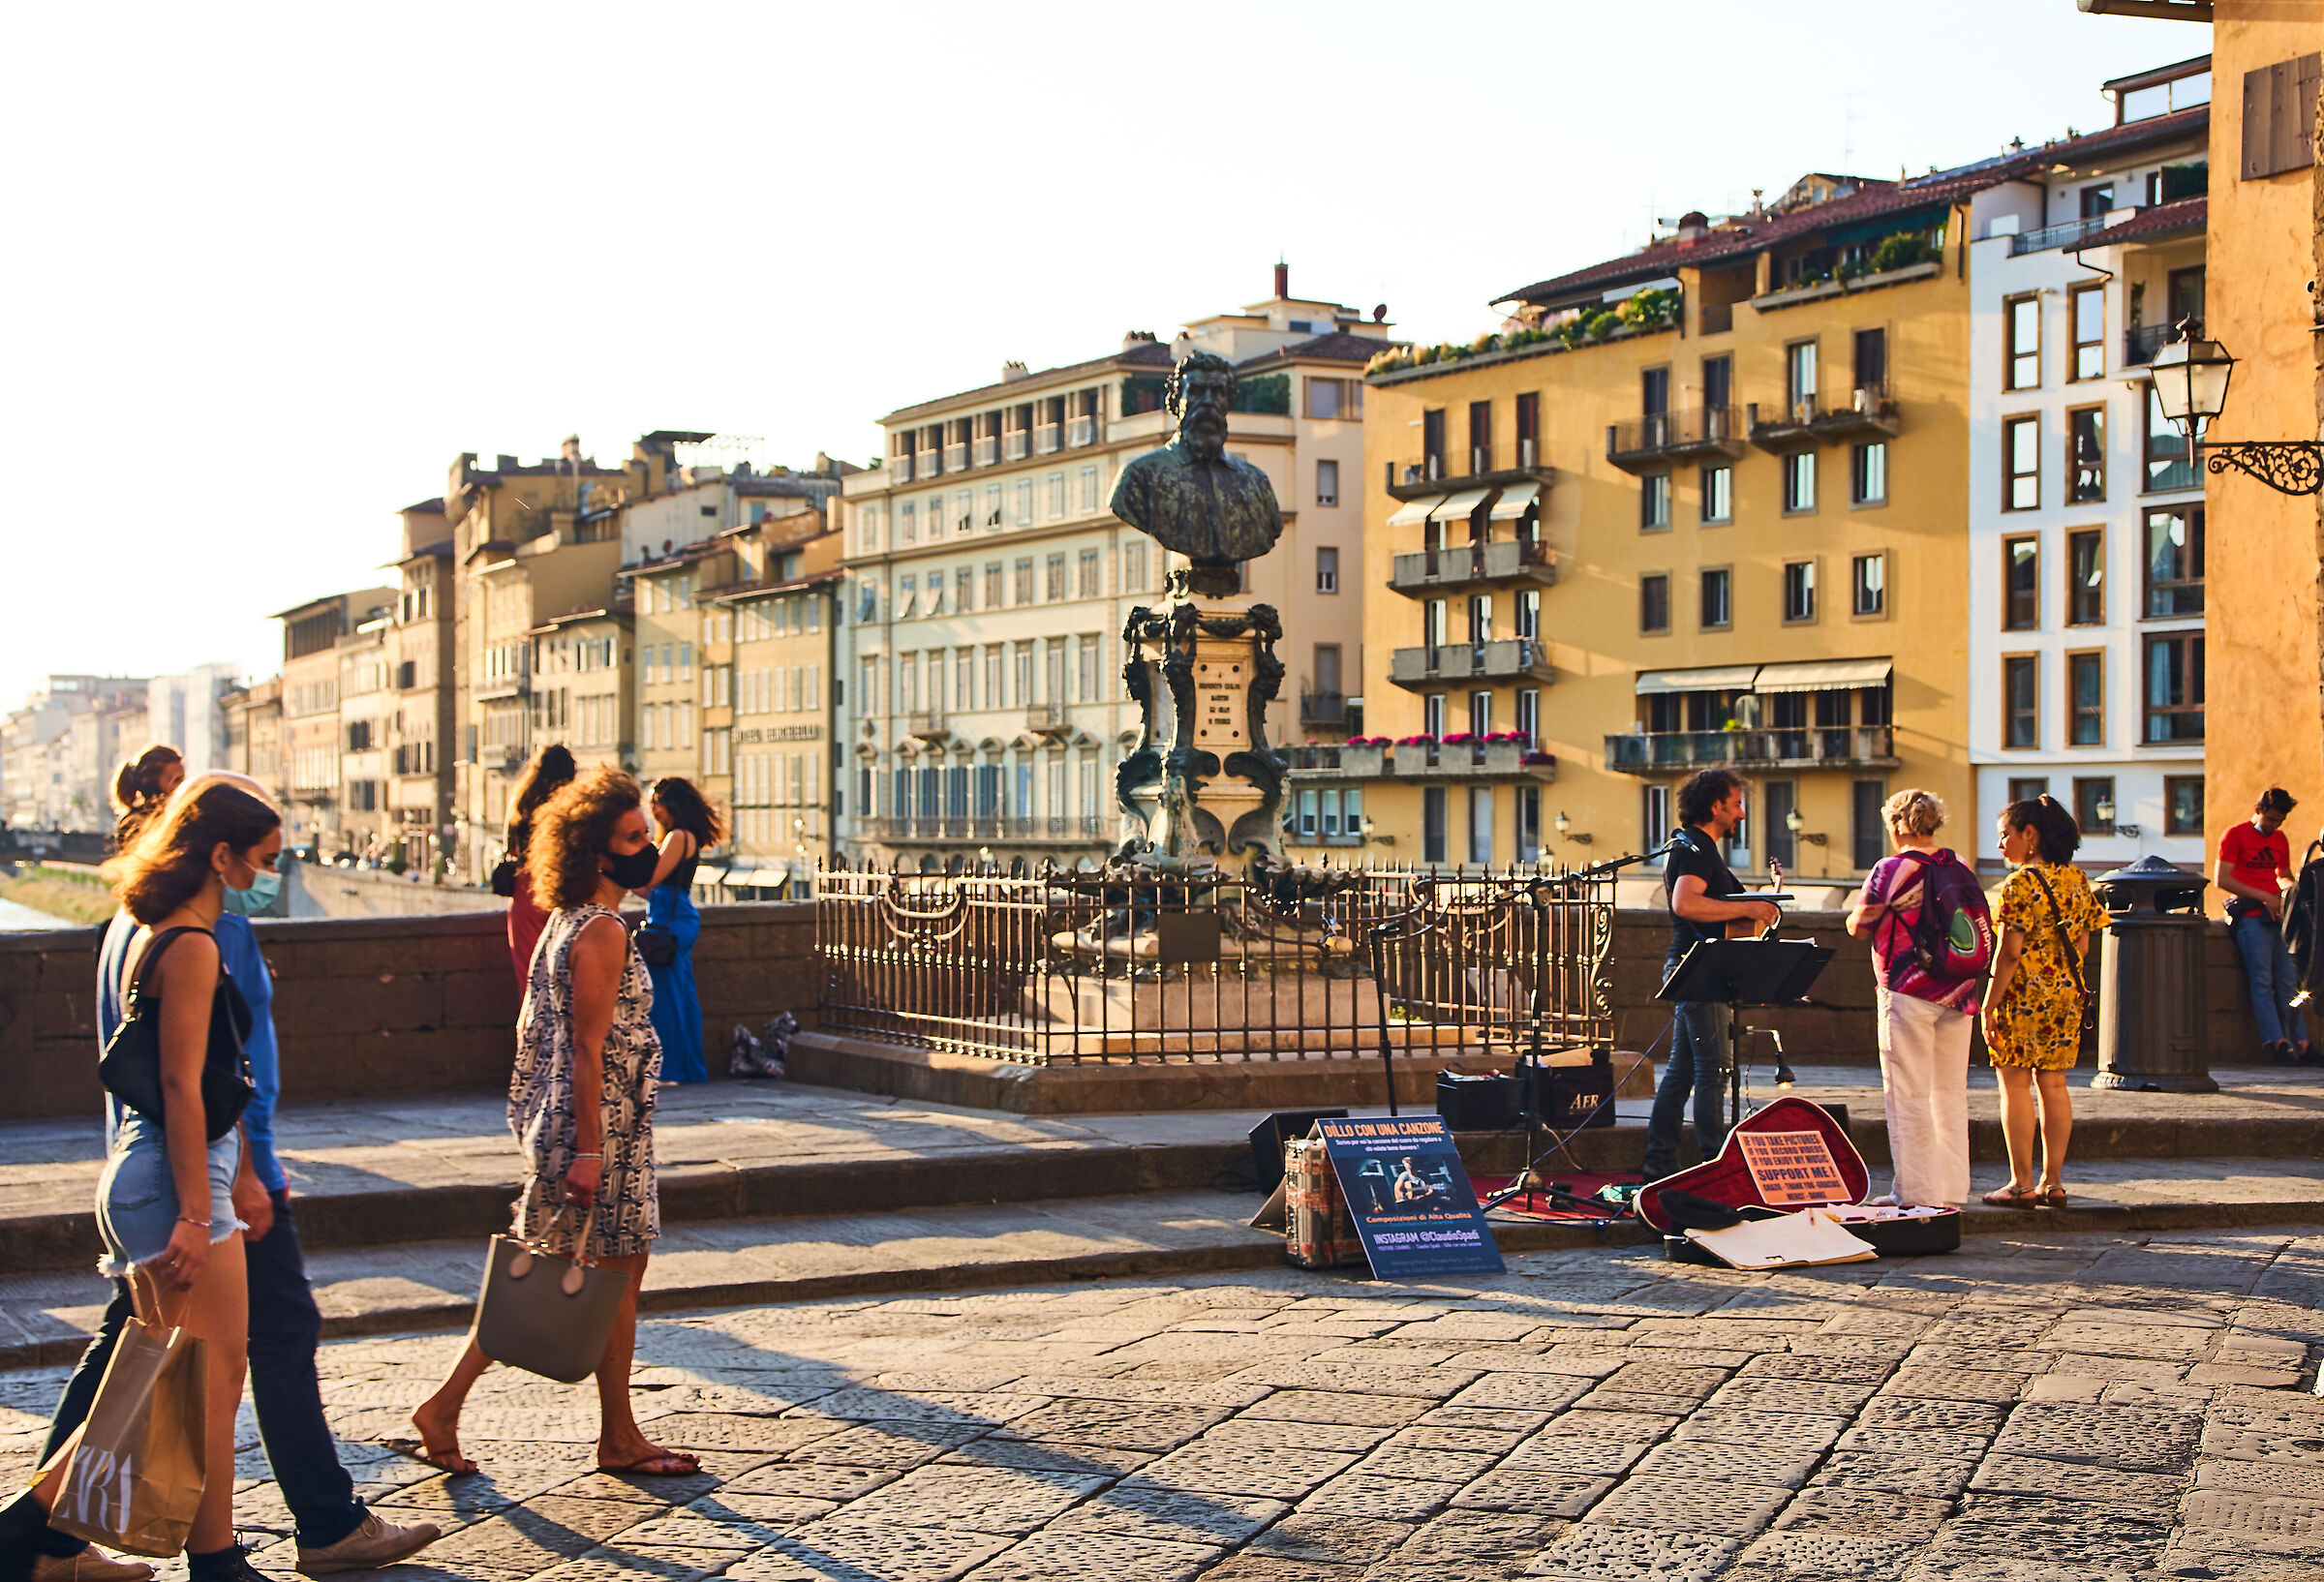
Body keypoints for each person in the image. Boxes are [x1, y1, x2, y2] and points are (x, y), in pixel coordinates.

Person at [23, 773, 437, 1582]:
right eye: (262, 860)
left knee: (154, 1376)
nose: (269, 877)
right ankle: (91, 1540)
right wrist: (205, 1201)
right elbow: (190, 1084)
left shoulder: (140, 925)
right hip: (184, 1180)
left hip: (155, 1172)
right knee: (200, 1380)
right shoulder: (198, 941)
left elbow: (200, 1078)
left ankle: (88, 1544)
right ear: (220, 855)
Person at [408, 767, 695, 1478]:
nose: (647, 846)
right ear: (598, 854)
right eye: (633, 837)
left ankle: (602, 1429)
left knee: (559, 1272)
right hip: (599, 1133)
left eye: (646, 833)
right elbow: (588, 1051)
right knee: (585, 1277)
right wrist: (592, 1153)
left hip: (585, 1129)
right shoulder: (601, 932)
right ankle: (604, 1435)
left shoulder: (569, 921)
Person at [1846, 790, 1981, 1209]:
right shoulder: (1957, 864)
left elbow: (1859, 923)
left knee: (1907, 1094)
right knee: (1949, 1094)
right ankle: (1953, 1191)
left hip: (1909, 989)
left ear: (1898, 824)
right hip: (1959, 992)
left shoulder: (1893, 868)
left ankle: (1915, 1195)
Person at [1641, 770, 1779, 1181]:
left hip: (1696, 967)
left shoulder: (1697, 848)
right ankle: (1713, 1165)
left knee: (1683, 1071)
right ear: (1716, 805)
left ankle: (1660, 1159)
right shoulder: (1698, 848)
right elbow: (1686, 904)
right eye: (1736, 804)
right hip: (1701, 969)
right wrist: (1750, 909)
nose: (1741, 814)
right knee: (1713, 1070)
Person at [1982, 796, 2106, 1208]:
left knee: (2015, 1085)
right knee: (2054, 1085)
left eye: (2006, 835)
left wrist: (1988, 1006)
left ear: (2029, 835)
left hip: (2021, 996)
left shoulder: (2019, 885)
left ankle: (2020, 1184)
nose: (2001, 846)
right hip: (2065, 996)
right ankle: (2053, 1182)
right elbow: (2084, 945)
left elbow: (2009, 953)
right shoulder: (2077, 879)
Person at [637, 777, 721, 1086]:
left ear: (672, 804)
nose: (653, 809)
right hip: (676, 916)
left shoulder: (677, 837)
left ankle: (670, 1069)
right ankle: (689, 1069)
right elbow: (657, 888)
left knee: (665, 999)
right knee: (682, 996)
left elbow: (653, 878)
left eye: (656, 802)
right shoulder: (687, 837)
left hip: (669, 922)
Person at [2217, 787, 2309, 1064]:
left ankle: (2301, 1043)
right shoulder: (2235, 835)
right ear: (2258, 811)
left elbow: (2282, 874)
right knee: (2262, 982)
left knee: (2289, 982)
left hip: (2276, 918)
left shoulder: (2280, 839)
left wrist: (2289, 893)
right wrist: (2265, 897)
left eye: (2279, 821)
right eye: (2270, 819)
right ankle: (2277, 1043)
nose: (2274, 826)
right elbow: (2223, 878)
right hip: (2251, 917)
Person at [503, 745, 578, 986]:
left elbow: (511, 848)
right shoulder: (571, 808)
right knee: (565, 980)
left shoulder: (522, 803)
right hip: (562, 888)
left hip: (526, 889)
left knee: (530, 980)